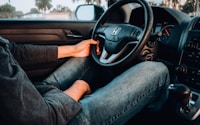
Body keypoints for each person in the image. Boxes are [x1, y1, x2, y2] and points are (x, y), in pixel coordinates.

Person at [0, 36, 170, 125]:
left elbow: (13, 51)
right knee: (156, 70)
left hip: (34, 96)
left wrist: (74, 49)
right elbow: (42, 120)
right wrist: (79, 88)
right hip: (53, 118)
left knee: (91, 55)